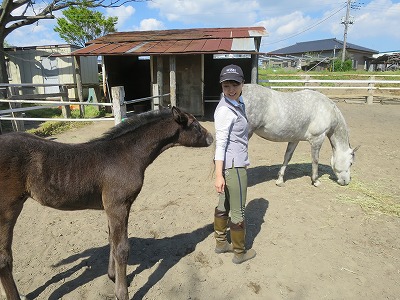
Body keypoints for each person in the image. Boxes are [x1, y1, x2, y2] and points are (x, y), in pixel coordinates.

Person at [213, 64, 256, 264]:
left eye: (235, 85)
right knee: (238, 210)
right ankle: (239, 252)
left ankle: (221, 243)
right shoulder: (225, 110)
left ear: (242, 84)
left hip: (229, 164)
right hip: (235, 167)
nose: (231, 90)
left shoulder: (236, 103)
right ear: (221, 86)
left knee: (224, 204)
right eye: (226, 86)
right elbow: (220, 143)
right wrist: (219, 174)